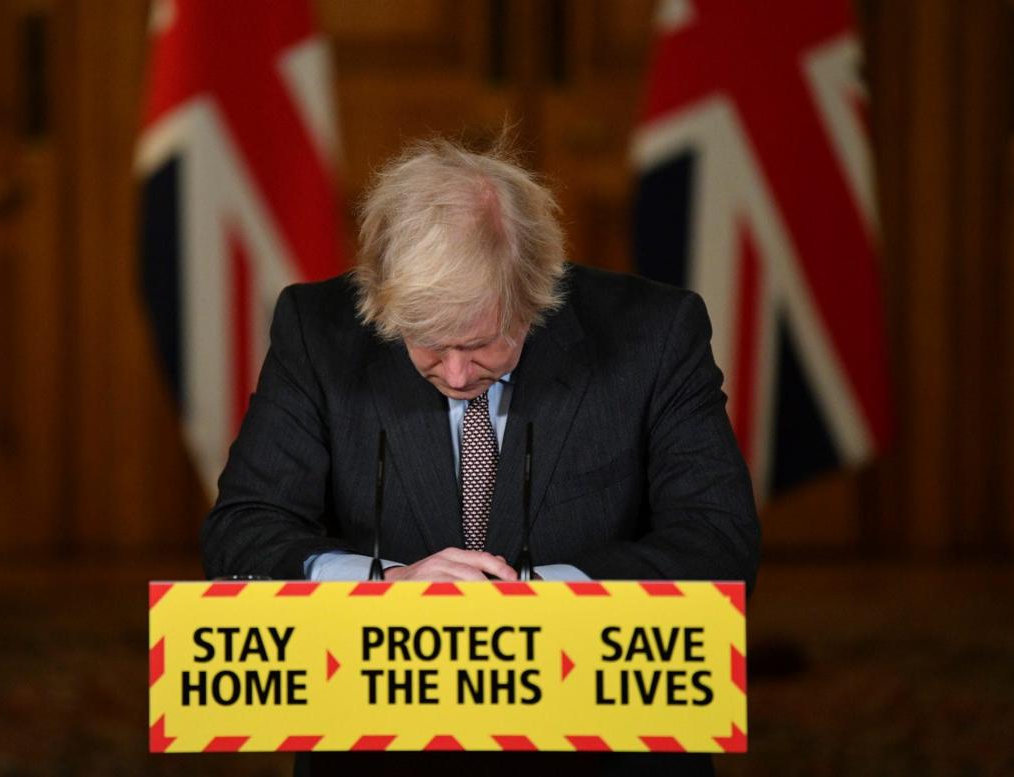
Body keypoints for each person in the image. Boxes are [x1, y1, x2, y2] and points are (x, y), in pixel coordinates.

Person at [202, 137, 759, 776]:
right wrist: (383, 588)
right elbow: (241, 534)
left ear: (536, 293)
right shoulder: (315, 331)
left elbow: (720, 543)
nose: (460, 374)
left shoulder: (655, 334)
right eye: (429, 345)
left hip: (603, 737)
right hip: (384, 737)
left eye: (484, 343)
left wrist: (536, 598)